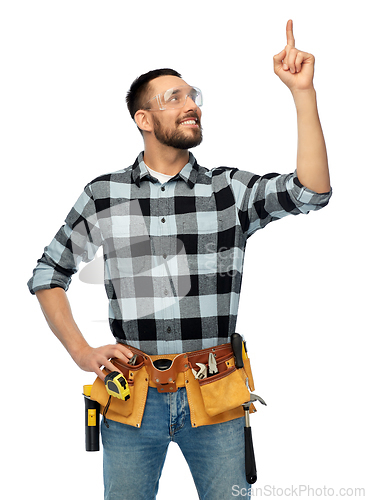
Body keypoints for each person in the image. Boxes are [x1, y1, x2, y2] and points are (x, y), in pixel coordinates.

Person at [27, 20, 331, 500]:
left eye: (193, 96)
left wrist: (303, 92)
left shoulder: (228, 191)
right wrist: (82, 353)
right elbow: (48, 275)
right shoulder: (105, 196)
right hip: (132, 399)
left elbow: (310, 192)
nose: (191, 105)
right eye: (173, 97)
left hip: (215, 394)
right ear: (144, 119)